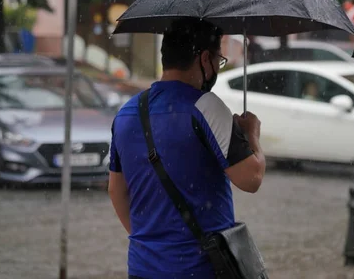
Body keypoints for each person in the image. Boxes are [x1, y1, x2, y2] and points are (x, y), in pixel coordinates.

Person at [107, 17, 266, 279]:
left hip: (142, 269)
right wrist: (252, 134)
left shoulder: (126, 113)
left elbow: (116, 190)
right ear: (204, 60)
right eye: (218, 59)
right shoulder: (206, 107)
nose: (217, 66)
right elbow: (252, 178)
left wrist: (154, 245)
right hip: (200, 270)